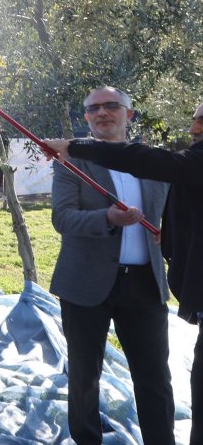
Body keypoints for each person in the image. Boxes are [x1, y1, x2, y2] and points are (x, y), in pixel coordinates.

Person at [43, 101, 203, 445]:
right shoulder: (71, 161)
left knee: (155, 377)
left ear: (129, 115)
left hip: (145, 284)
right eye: (93, 108)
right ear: (85, 117)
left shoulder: (156, 162)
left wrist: (168, 235)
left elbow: (175, 212)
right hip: (84, 283)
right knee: (84, 376)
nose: (102, 112)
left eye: (111, 106)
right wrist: (107, 218)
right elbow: (62, 218)